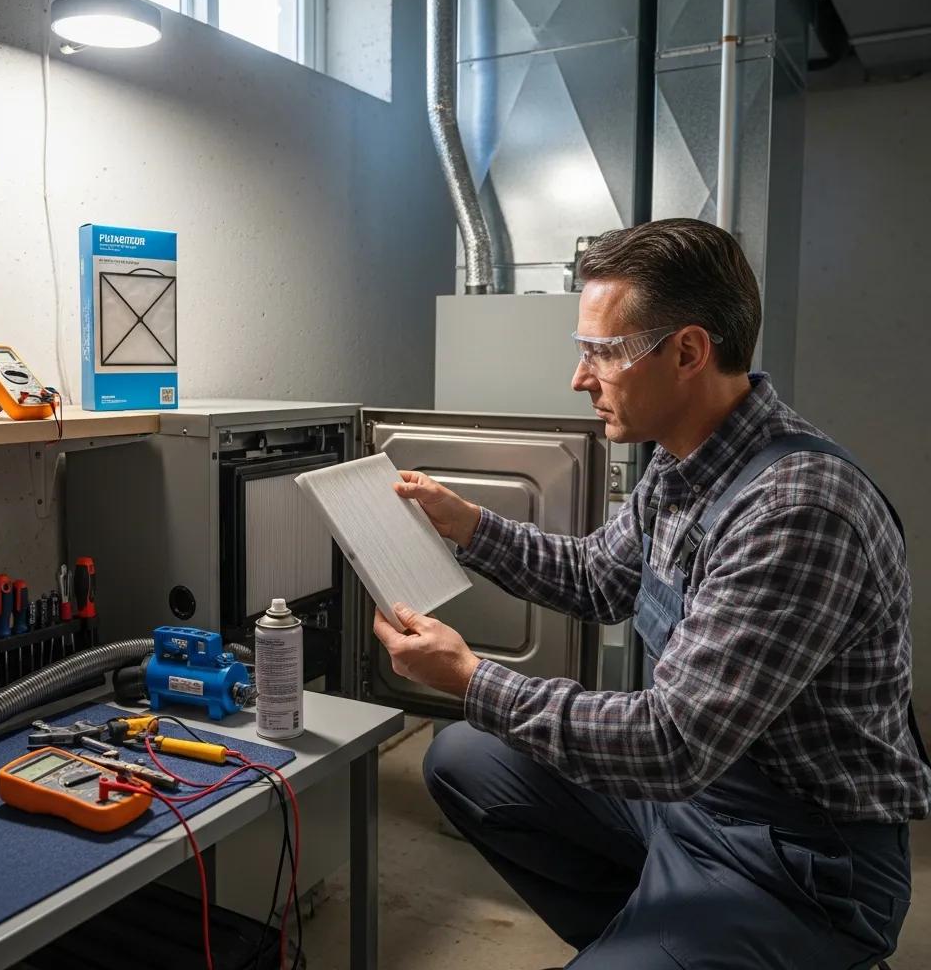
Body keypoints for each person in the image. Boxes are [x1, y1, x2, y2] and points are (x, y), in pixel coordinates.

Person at [371, 218, 930, 969]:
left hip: (800, 860)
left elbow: (670, 744)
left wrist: (471, 678)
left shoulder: (798, 510)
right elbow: (599, 578)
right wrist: (466, 524)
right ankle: (653, 936)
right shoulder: (681, 463)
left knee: (480, 717)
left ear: (689, 351)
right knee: (467, 758)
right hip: (696, 802)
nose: (581, 378)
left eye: (603, 352)